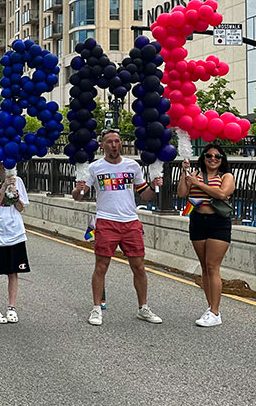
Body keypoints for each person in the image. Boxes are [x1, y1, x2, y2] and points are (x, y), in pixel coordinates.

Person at [72, 128, 164, 326]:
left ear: (121, 143)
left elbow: (144, 195)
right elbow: (79, 196)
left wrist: (155, 186)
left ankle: (143, 308)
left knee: (139, 267)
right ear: (102, 146)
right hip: (106, 221)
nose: (114, 145)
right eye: (110, 142)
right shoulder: (95, 168)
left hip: (130, 221)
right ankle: (96, 309)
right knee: (101, 266)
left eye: (117, 141)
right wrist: (78, 190)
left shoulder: (133, 166)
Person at [177, 142, 235, 327]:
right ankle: (210, 307)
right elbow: (182, 193)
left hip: (218, 222)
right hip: (198, 221)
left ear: (222, 160)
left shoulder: (226, 176)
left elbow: (221, 194)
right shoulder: (194, 175)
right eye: (209, 155)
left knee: (212, 266)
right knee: (204, 267)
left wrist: (197, 183)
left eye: (217, 156)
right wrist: (184, 174)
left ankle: (215, 312)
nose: (213, 159)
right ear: (203, 158)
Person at [0, 159, 30, 324]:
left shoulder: (19, 181)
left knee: (13, 272)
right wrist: (3, 187)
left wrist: (15, 194)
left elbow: (21, 207)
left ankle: (11, 307)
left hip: (14, 231)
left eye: (2, 163)